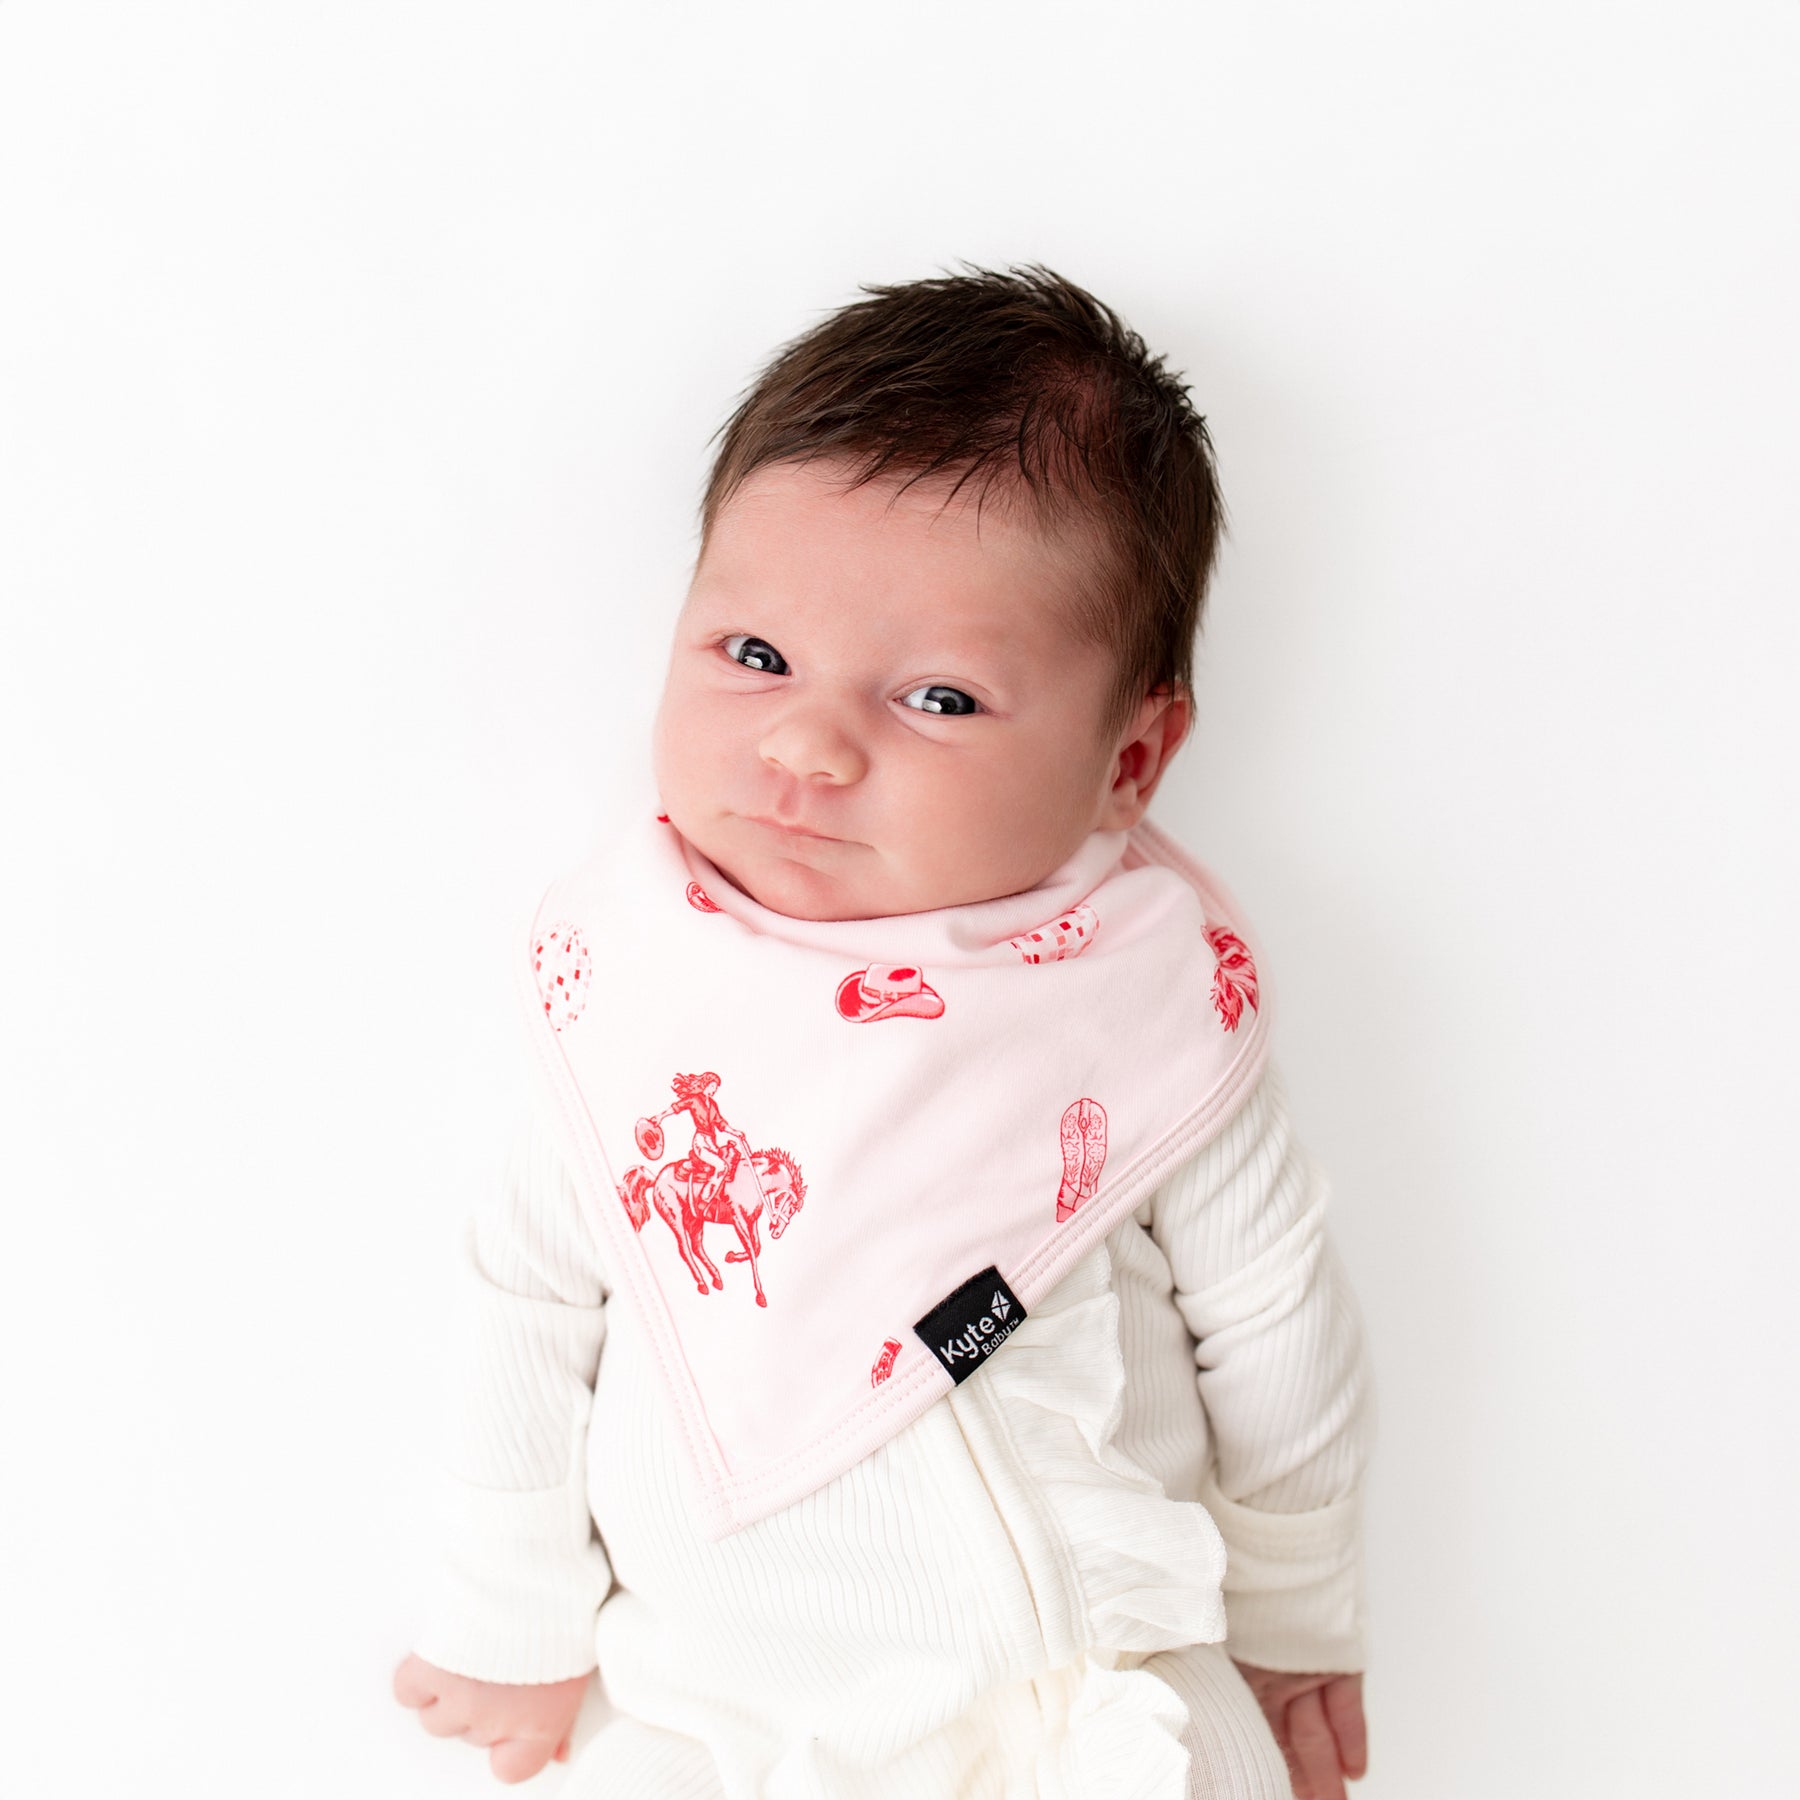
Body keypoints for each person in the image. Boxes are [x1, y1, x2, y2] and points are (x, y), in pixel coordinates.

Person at [392, 265, 1374, 1799]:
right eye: (755, 657)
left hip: (1090, 1711)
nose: (807, 743)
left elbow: (1278, 1327)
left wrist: (1296, 1613)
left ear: (1132, 758)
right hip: (718, 1724)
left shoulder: (1132, 1008)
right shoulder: (638, 993)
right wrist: (508, 1617)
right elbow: (525, 1307)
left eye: (938, 699)